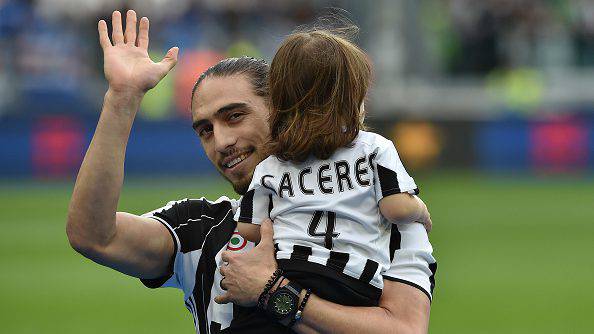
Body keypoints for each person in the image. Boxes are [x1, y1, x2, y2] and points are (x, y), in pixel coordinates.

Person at [66, 10, 437, 334]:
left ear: (282, 109)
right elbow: (93, 236)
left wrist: (274, 292)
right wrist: (122, 98)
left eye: (234, 116)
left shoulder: (390, 224)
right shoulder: (202, 227)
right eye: (205, 130)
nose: (222, 141)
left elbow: (404, 329)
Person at [234, 28, 432, 314]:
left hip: (290, 274)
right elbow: (396, 208)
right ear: (348, 99)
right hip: (354, 280)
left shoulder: (270, 166)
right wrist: (421, 210)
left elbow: (249, 229)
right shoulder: (374, 148)